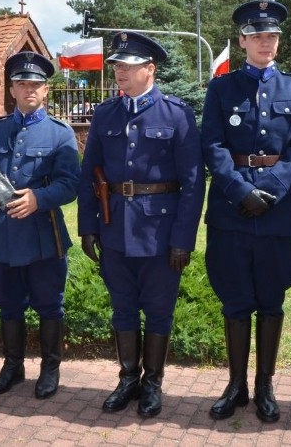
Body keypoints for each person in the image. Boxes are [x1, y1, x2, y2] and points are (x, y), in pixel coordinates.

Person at [78, 31, 205, 418]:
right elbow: (90, 174)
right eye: (117, 65)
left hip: (161, 234)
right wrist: (88, 226)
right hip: (115, 229)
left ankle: (153, 384)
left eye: (128, 66)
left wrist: (183, 238)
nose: (120, 72)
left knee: (159, 310)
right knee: (123, 310)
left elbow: (193, 182)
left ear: (150, 70)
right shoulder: (105, 114)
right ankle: (128, 378)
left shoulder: (176, 113)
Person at [201, 0, 291, 422]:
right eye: (258, 36)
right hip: (232, 212)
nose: (266, 43)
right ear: (242, 40)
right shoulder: (222, 88)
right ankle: (236, 386)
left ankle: (265, 387)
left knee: (270, 301)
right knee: (235, 300)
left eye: (272, 37)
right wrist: (237, 189)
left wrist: (269, 189)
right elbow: (212, 144)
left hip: (276, 210)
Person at [0, 51, 80, 399]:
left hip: (44, 237)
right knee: (8, 303)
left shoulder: (60, 134)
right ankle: (12, 367)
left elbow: (71, 185)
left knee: (49, 304)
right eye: (22, 83)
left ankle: (50, 369)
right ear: (11, 89)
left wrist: (39, 198)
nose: (29, 89)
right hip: (3, 235)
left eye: (36, 84)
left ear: (46, 90)